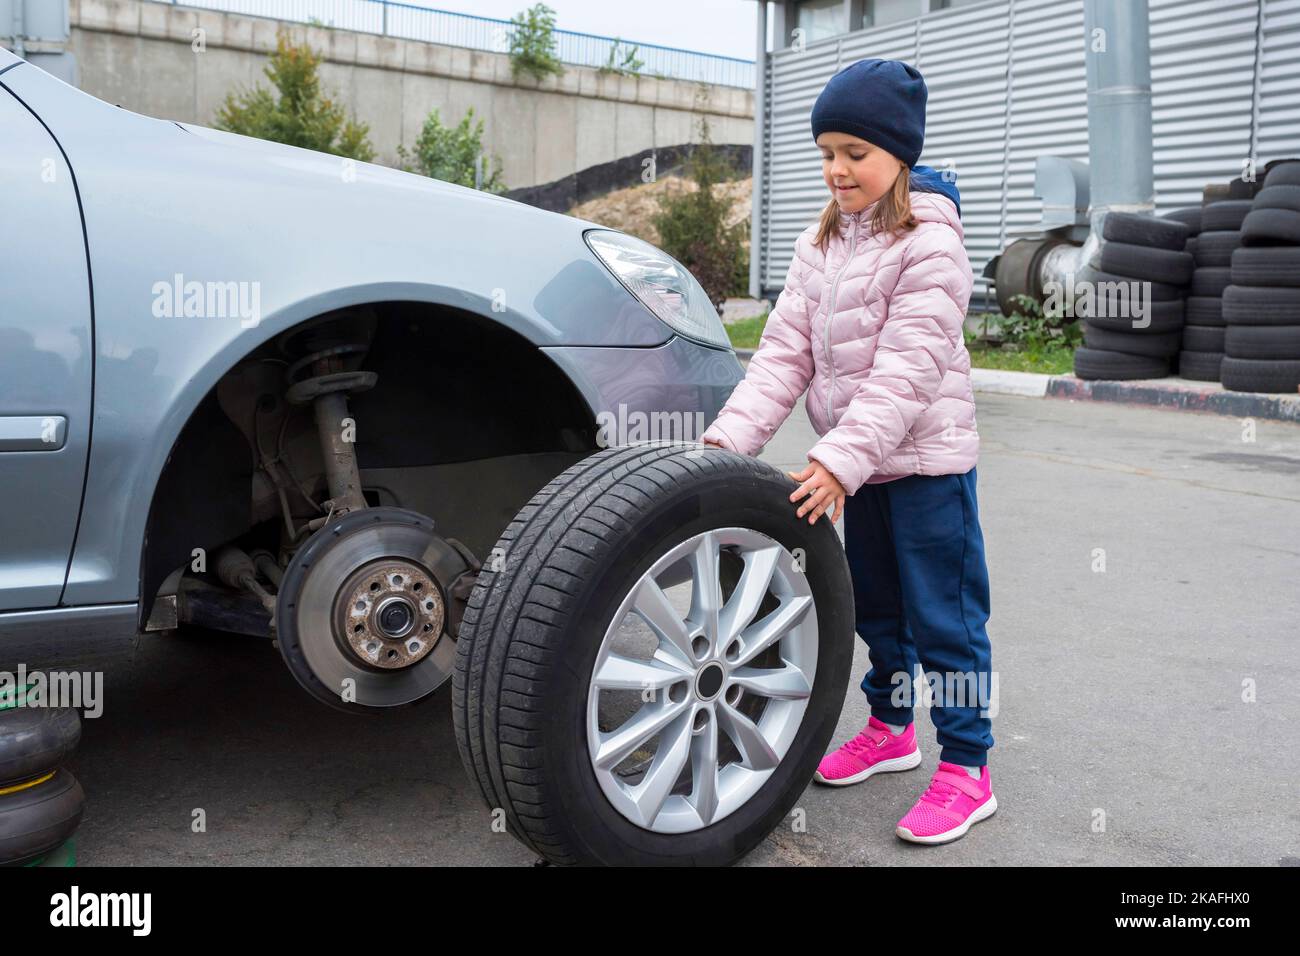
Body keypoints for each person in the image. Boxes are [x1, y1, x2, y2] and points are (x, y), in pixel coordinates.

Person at [700, 58, 996, 845]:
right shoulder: (820, 243)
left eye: (855, 152)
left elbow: (907, 370)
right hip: (862, 472)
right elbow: (782, 356)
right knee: (879, 612)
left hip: (927, 470)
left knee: (947, 622)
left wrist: (836, 458)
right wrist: (728, 442)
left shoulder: (930, 243)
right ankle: (893, 730)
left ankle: (969, 765)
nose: (836, 168)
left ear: (899, 155)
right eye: (827, 150)